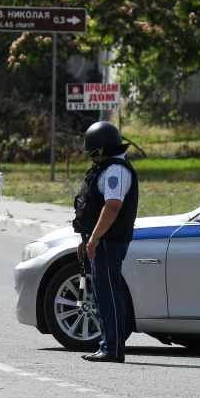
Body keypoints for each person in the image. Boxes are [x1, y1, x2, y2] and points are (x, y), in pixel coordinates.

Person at [72, 122, 139, 363]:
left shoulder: (116, 171)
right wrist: (87, 238)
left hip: (110, 241)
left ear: (100, 148)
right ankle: (108, 345)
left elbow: (112, 207)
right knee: (103, 293)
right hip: (102, 240)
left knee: (109, 294)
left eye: (93, 151)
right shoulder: (108, 168)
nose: (92, 156)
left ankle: (112, 349)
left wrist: (96, 237)